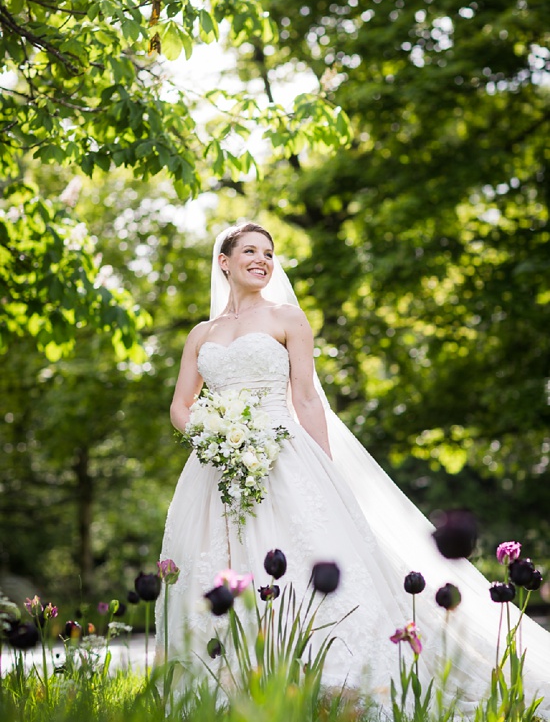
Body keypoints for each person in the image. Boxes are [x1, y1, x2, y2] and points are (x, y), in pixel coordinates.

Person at [156, 222, 550, 714]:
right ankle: (229, 682)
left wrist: (323, 468)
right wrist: (210, 435)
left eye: (269, 253)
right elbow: (180, 404)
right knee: (214, 561)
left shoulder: (288, 318)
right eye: (250, 251)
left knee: (303, 558)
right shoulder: (201, 334)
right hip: (217, 463)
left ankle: (333, 680)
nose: (262, 260)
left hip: (282, 452)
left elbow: (305, 397)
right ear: (225, 261)